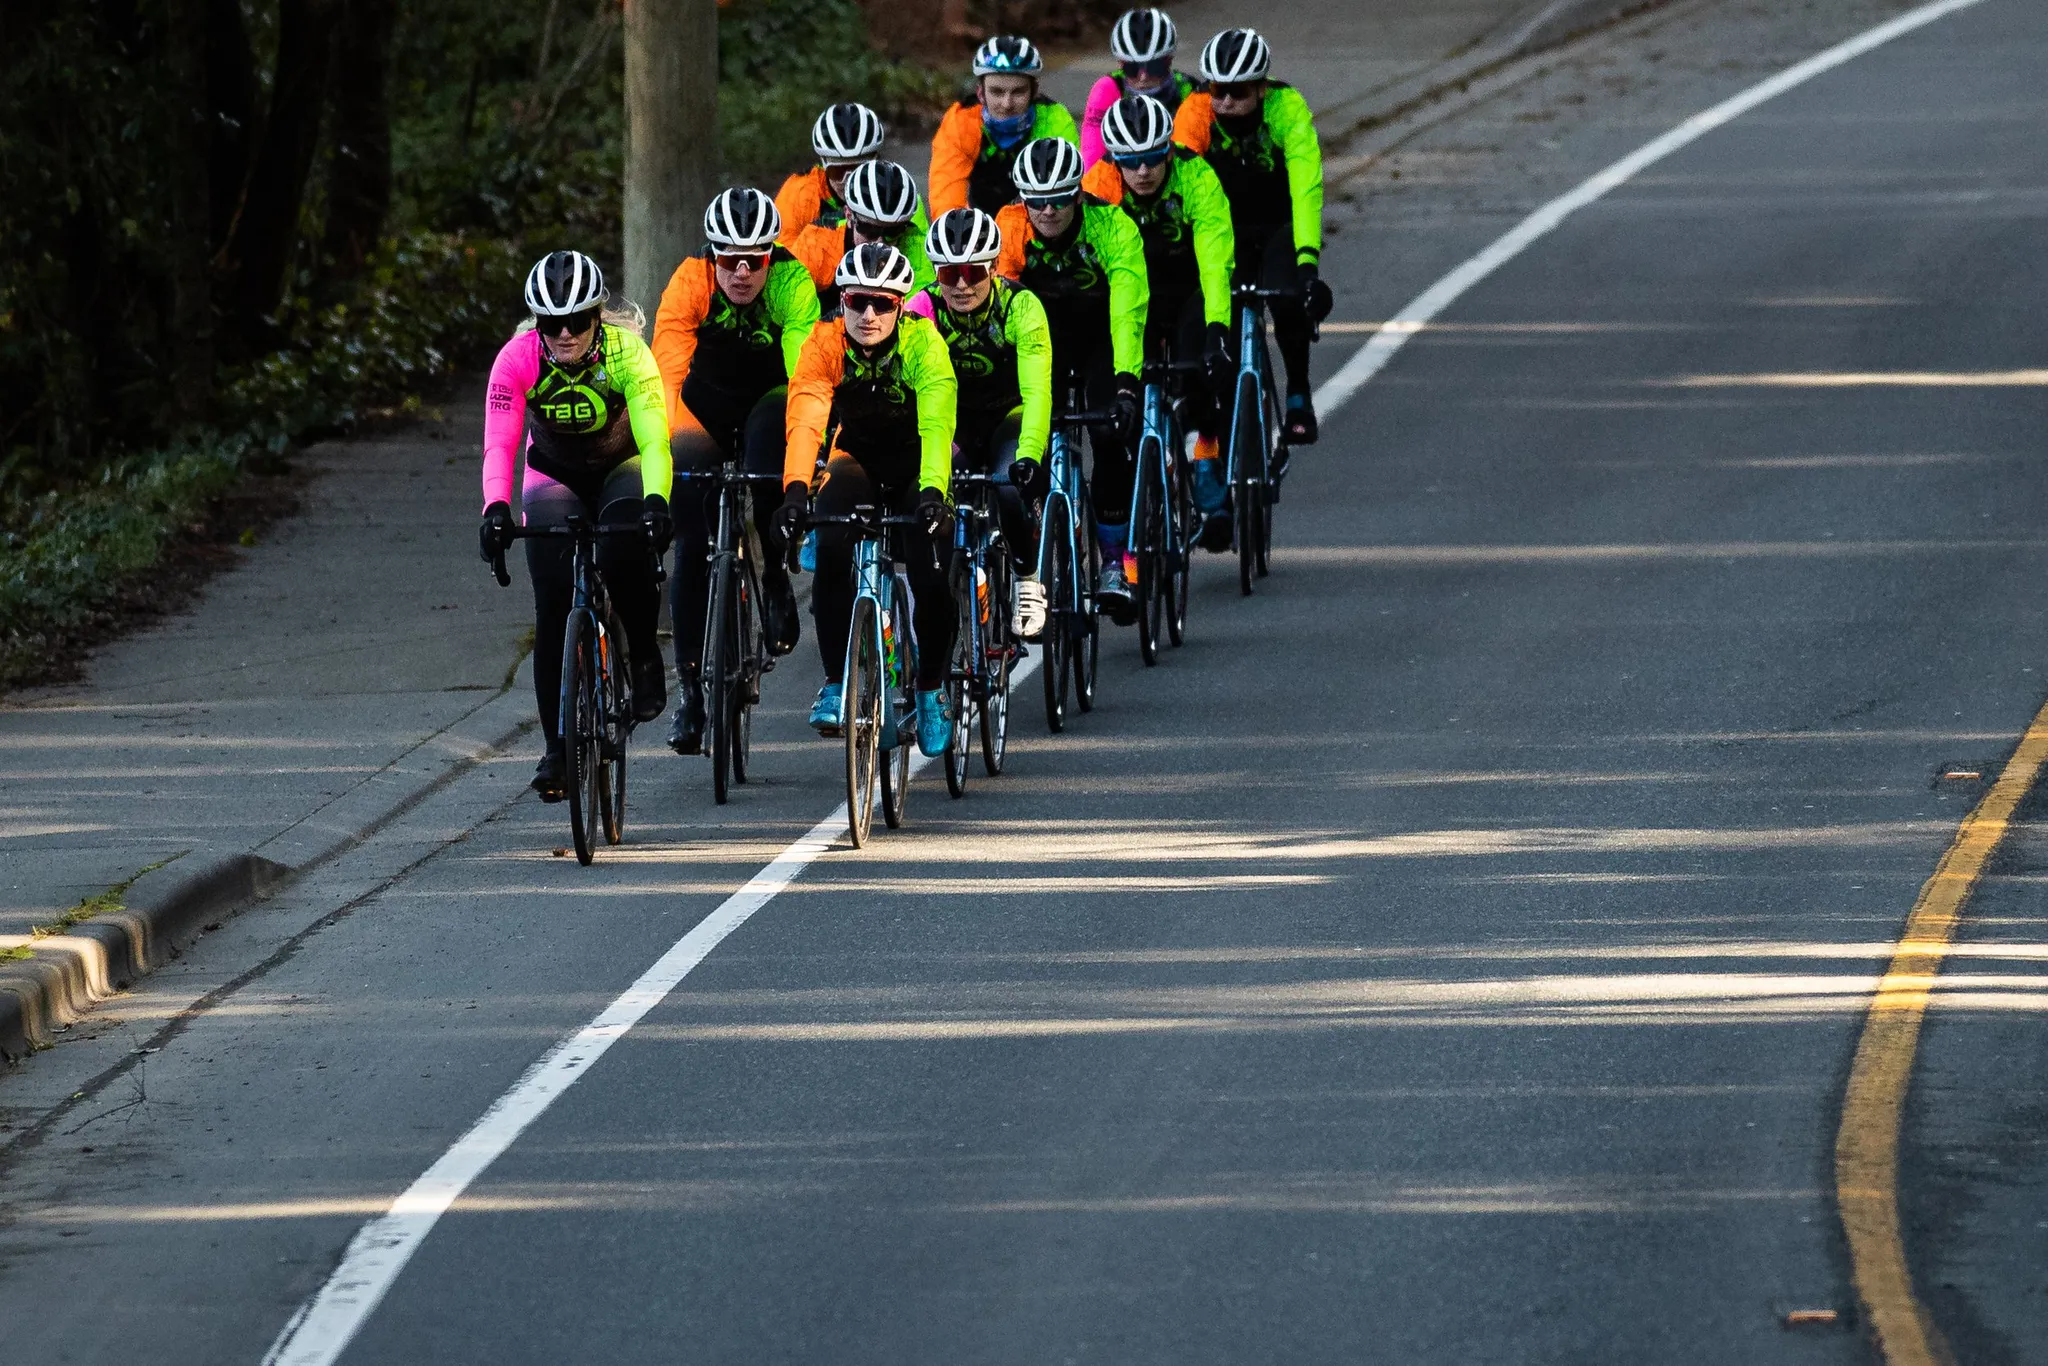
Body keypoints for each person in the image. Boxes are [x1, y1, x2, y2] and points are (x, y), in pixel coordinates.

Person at [479, 251, 673, 800]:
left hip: (622, 466)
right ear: (536, 323)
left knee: (624, 549)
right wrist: (494, 507)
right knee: (553, 602)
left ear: (597, 316)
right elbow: (500, 443)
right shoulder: (517, 359)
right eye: (550, 323)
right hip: (553, 473)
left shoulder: (628, 353)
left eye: (577, 321)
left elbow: (656, 438)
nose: (564, 334)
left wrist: (658, 499)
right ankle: (557, 751)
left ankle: (641, 650)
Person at [651, 187, 821, 755]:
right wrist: (668, 460)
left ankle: (774, 572)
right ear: (712, 255)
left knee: (766, 471)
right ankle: (693, 692)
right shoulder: (689, 282)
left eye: (756, 258)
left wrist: (800, 473)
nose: (743, 271)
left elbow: (803, 381)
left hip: (769, 396)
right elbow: (667, 382)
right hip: (705, 403)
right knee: (692, 536)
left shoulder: (792, 285)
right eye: (730, 259)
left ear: (772, 255)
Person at [774, 243, 958, 758]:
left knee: (928, 572)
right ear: (842, 301)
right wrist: (793, 493)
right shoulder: (824, 343)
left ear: (901, 306)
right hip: (855, 457)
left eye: (882, 303)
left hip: (915, 463)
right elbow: (807, 419)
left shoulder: (924, 343)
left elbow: (938, 424)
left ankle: (929, 690)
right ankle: (836, 682)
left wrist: (933, 494)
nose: (869, 314)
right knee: (831, 546)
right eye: (857, 302)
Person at [993, 137, 1149, 619]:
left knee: (1108, 433)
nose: (1049, 210)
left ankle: (1111, 563)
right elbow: (999, 311)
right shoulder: (1009, 228)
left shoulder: (1112, 227)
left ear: (1078, 195)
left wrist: (1125, 383)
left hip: (1101, 341)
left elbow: (1128, 308)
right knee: (1025, 440)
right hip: (1043, 347)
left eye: (1060, 197)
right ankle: (1037, 529)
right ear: (1023, 199)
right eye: (1036, 200)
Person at [1083, 93, 1237, 550]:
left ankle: (1204, 455)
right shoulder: (1099, 185)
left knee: (1198, 373)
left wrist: (1218, 330)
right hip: (1131, 303)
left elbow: (1214, 262)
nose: (1144, 171)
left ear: (1168, 151)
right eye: (1131, 161)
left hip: (1186, 294)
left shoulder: (1196, 177)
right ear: (1114, 160)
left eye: (1153, 158)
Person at [1174, 28, 1334, 444]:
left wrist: (1307, 264)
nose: (1225, 102)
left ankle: (1298, 389)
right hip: (1223, 229)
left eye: (1237, 92)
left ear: (1262, 88)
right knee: (1212, 313)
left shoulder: (1287, 107)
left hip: (1278, 222)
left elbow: (1305, 187)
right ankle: (1213, 434)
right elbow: (1179, 182)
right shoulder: (1195, 112)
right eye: (1217, 90)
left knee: (1287, 298)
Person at [906, 207, 1053, 638]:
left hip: (1010, 413)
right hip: (951, 422)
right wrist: (943, 448)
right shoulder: (922, 308)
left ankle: (1027, 580)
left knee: (1009, 488)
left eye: (973, 272)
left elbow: (1037, 391)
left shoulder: (1021, 306)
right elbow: (918, 391)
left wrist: (1030, 454)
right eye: (950, 274)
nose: (962, 284)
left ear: (992, 267)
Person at [929, 36, 1080, 216]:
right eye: (996, 92)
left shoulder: (1055, 119)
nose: (1007, 103)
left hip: (1039, 220)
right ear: (981, 93)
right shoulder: (960, 121)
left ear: (1034, 92)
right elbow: (946, 199)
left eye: (1018, 92)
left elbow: (1067, 195)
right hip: (981, 225)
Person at [776, 103, 887, 291]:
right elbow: (780, 265)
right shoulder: (799, 193)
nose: (849, 180)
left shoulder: (897, 191)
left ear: (876, 160)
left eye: (859, 168)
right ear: (823, 164)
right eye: (839, 171)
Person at [1080, 8, 1196, 169]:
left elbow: (1194, 156)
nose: (1143, 76)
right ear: (1120, 64)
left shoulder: (1188, 89)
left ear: (1169, 60)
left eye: (1154, 67)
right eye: (1132, 68)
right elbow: (1092, 157)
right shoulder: (1106, 89)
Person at [835, 160, 937, 312]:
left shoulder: (917, 247)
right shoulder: (819, 241)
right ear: (849, 216)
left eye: (892, 232)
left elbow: (916, 311)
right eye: (870, 230)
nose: (880, 242)